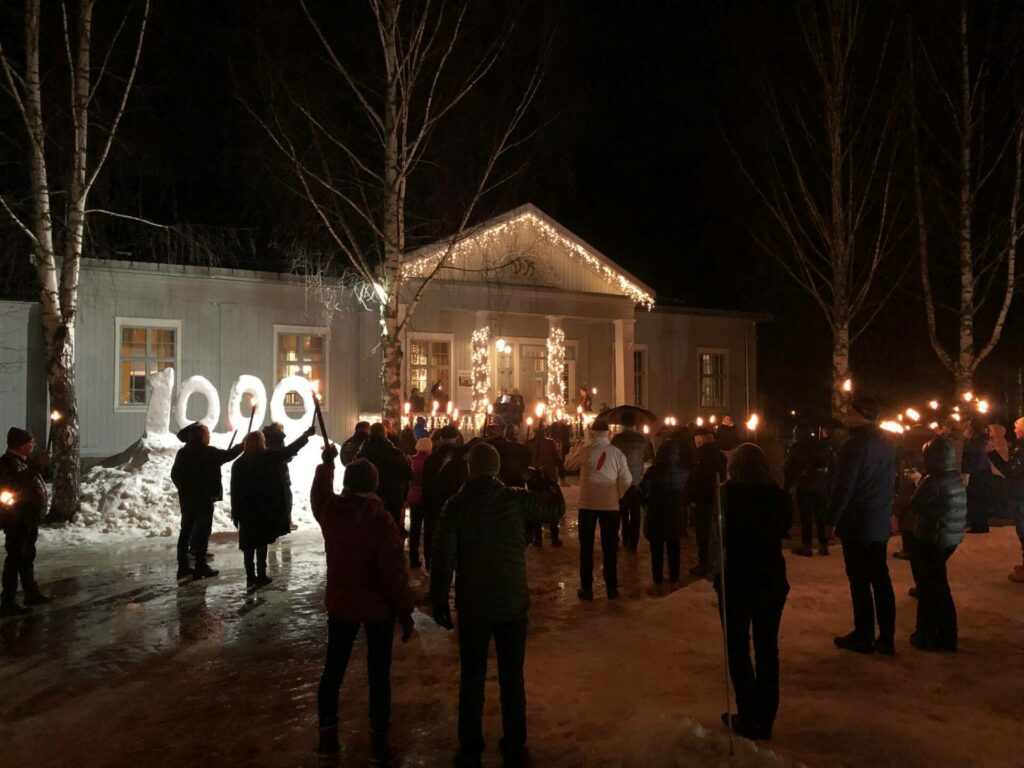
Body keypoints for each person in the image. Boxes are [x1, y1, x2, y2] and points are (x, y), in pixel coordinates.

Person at [430, 442, 565, 768]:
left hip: (474, 603)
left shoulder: (456, 505)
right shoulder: (514, 499)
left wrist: (438, 598)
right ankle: (515, 744)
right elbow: (554, 511)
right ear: (497, 468)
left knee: (472, 676)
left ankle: (470, 745)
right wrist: (549, 481)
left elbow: (442, 556)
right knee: (511, 676)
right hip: (511, 601)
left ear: (470, 469)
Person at [312, 453, 415, 767]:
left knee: (333, 671)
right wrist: (404, 610)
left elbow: (319, 494)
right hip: (377, 608)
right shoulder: (380, 519)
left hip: (341, 603)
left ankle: (328, 740)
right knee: (378, 675)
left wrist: (326, 464)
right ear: (374, 485)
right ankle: (379, 743)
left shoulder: (332, 511)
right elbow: (392, 572)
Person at [712, 443, 790, 741]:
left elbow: (715, 539)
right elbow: (782, 528)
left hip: (737, 579)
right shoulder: (779, 496)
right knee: (768, 648)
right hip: (770, 578)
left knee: (738, 648)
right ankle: (765, 717)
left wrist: (715, 574)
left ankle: (748, 713)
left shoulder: (728, 495)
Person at [829, 397, 897, 655]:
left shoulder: (854, 446)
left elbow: (843, 487)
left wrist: (832, 520)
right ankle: (887, 636)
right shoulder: (887, 444)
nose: (846, 415)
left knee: (859, 580)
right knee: (881, 579)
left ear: (861, 415)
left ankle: (864, 634)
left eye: (850, 412)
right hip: (878, 520)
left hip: (858, 522)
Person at [907, 436, 967, 651]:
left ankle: (935, 636)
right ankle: (940, 634)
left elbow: (915, 504)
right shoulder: (953, 476)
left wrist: (917, 480)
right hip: (948, 538)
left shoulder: (933, 480)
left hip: (933, 538)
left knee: (932, 589)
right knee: (937, 587)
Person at [565, 419, 632, 600]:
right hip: (610, 506)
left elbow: (568, 465)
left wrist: (574, 450)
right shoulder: (617, 453)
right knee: (609, 547)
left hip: (587, 505)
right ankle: (611, 588)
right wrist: (616, 493)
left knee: (586, 548)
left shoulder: (586, 451)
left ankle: (587, 588)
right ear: (608, 433)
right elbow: (627, 479)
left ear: (592, 433)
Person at [170, 422, 243, 581]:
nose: (209, 437)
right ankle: (200, 566)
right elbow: (227, 455)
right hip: (204, 500)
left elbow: (175, 474)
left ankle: (183, 568)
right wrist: (242, 446)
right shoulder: (207, 452)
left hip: (188, 501)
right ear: (202, 436)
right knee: (202, 533)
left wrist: (183, 489)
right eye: (208, 434)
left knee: (185, 533)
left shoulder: (183, 453)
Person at [0, 427, 50, 617]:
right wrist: (36, 467)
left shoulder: (21, 463)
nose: (33, 445)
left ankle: (31, 593)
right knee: (15, 558)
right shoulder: (7, 464)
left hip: (28, 518)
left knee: (27, 556)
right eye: (30, 442)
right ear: (20, 445)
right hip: (17, 519)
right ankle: (8, 600)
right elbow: (17, 485)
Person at [638, 440, 689, 595]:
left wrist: (646, 504)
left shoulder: (653, 472)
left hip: (657, 515)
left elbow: (641, 491)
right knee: (674, 549)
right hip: (675, 516)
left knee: (657, 550)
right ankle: (674, 581)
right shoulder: (683, 472)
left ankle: (658, 581)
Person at [784, 425, 833, 556]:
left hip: (804, 482)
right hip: (821, 482)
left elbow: (789, 466)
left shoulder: (796, 447)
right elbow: (832, 462)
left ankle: (807, 545)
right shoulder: (822, 445)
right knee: (821, 514)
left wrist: (788, 484)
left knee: (806, 516)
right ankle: (823, 545)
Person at [358, 423, 413, 533]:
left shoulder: (361, 454)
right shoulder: (395, 453)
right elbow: (408, 473)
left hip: (368, 497)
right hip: (392, 497)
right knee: (390, 529)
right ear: (385, 434)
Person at [611, 412, 655, 552]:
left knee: (621, 510)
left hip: (621, 479)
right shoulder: (642, 439)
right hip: (636, 479)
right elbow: (648, 456)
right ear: (634, 423)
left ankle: (623, 537)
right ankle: (633, 542)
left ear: (622, 423)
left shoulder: (617, 439)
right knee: (635, 512)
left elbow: (612, 456)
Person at [988, 416, 1024, 582]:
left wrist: (991, 453)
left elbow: (1010, 470)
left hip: (1021, 494)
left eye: (1017, 428)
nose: (1015, 431)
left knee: (1023, 531)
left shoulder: (1022, 447)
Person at [262, 422, 314, 533]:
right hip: (281, 476)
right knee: (286, 500)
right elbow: (284, 453)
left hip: (272, 477)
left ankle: (277, 522)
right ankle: (285, 522)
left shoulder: (266, 439)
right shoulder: (276, 438)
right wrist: (306, 436)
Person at [690, 427, 727, 577]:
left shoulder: (699, 456)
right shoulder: (720, 455)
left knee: (703, 533)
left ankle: (704, 563)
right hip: (716, 497)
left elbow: (696, 479)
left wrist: (692, 498)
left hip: (703, 499)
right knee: (715, 532)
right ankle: (715, 561)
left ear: (699, 439)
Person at [525, 423, 565, 546]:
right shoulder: (535, 444)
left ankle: (541, 538)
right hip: (540, 479)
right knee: (550, 507)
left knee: (537, 507)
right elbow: (557, 459)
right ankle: (550, 538)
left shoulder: (532, 444)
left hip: (542, 479)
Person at [961, 417, 995, 533]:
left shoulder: (976, 440)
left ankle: (978, 524)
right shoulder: (982, 439)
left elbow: (971, 456)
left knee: (976, 498)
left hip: (978, 471)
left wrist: (966, 471)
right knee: (980, 499)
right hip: (982, 470)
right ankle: (981, 524)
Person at [407, 437, 433, 568]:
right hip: (428, 497)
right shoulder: (431, 461)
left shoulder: (411, 460)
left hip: (413, 496)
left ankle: (413, 558)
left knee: (414, 529)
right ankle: (429, 560)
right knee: (428, 529)